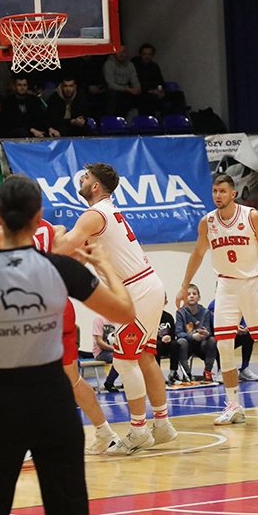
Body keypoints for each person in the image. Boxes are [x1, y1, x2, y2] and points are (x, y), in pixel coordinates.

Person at [0, 174, 134, 515]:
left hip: (0, 404)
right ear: (39, 218)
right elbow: (125, 312)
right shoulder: (61, 268)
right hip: (53, 401)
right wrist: (105, 266)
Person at [0, 218, 124, 454]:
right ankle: (105, 433)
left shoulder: (2, 232)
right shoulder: (49, 228)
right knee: (71, 378)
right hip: (60, 305)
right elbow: (63, 235)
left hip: (30, 311)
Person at [53, 162, 177, 455]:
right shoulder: (107, 212)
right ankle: (162, 425)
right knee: (145, 357)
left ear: (95, 186)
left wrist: (55, 229)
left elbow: (61, 247)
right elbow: (80, 257)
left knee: (124, 361)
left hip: (138, 289)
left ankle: (138, 431)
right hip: (146, 285)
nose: (81, 180)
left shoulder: (94, 215)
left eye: (85, 177)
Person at [176, 174, 258, 425]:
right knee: (224, 346)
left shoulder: (251, 216)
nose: (217, 195)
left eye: (222, 191)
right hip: (226, 285)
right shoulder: (208, 222)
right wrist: (183, 287)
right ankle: (234, 405)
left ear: (233, 193)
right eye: (214, 191)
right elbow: (197, 254)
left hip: (256, 283)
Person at [208, 299, 258, 382]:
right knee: (218, 340)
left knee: (249, 336)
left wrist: (244, 327)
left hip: (234, 335)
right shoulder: (214, 305)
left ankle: (244, 369)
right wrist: (234, 328)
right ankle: (221, 370)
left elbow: (244, 319)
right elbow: (216, 325)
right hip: (220, 335)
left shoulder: (239, 302)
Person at [175, 285, 218, 382]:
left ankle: (207, 371)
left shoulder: (205, 312)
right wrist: (192, 336)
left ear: (199, 297)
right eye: (188, 294)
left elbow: (208, 331)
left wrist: (206, 333)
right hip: (188, 344)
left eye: (194, 294)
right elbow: (178, 333)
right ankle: (187, 374)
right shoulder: (180, 312)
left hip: (201, 345)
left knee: (212, 340)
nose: (191, 296)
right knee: (181, 342)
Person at [102, 45, 140, 117]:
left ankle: (139, 122)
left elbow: (135, 80)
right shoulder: (108, 64)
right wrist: (127, 89)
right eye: (118, 52)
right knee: (113, 95)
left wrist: (137, 89)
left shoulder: (130, 65)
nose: (121, 54)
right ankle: (113, 121)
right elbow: (111, 84)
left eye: (123, 52)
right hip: (113, 91)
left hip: (127, 90)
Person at [92, 313, 121, 393]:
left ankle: (126, 382)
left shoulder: (119, 320)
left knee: (126, 357)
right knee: (119, 358)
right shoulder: (99, 319)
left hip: (116, 350)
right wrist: (114, 349)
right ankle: (109, 383)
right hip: (101, 351)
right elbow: (99, 342)